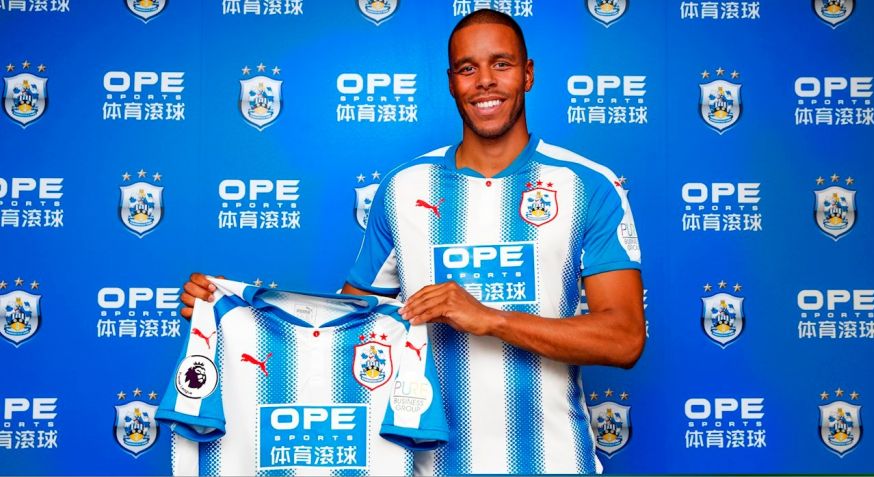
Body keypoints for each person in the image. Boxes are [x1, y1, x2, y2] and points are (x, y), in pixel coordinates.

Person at [181, 9, 645, 475]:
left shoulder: (589, 186)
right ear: (451, 83)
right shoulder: (405, 188)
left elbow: (624, 340)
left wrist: (490, 319)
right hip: (429, 466)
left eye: (501, 64)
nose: (485, 80)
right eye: (468, 68)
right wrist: (232, 311)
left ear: (528, 74)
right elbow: (347, 328)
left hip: (556, 462)